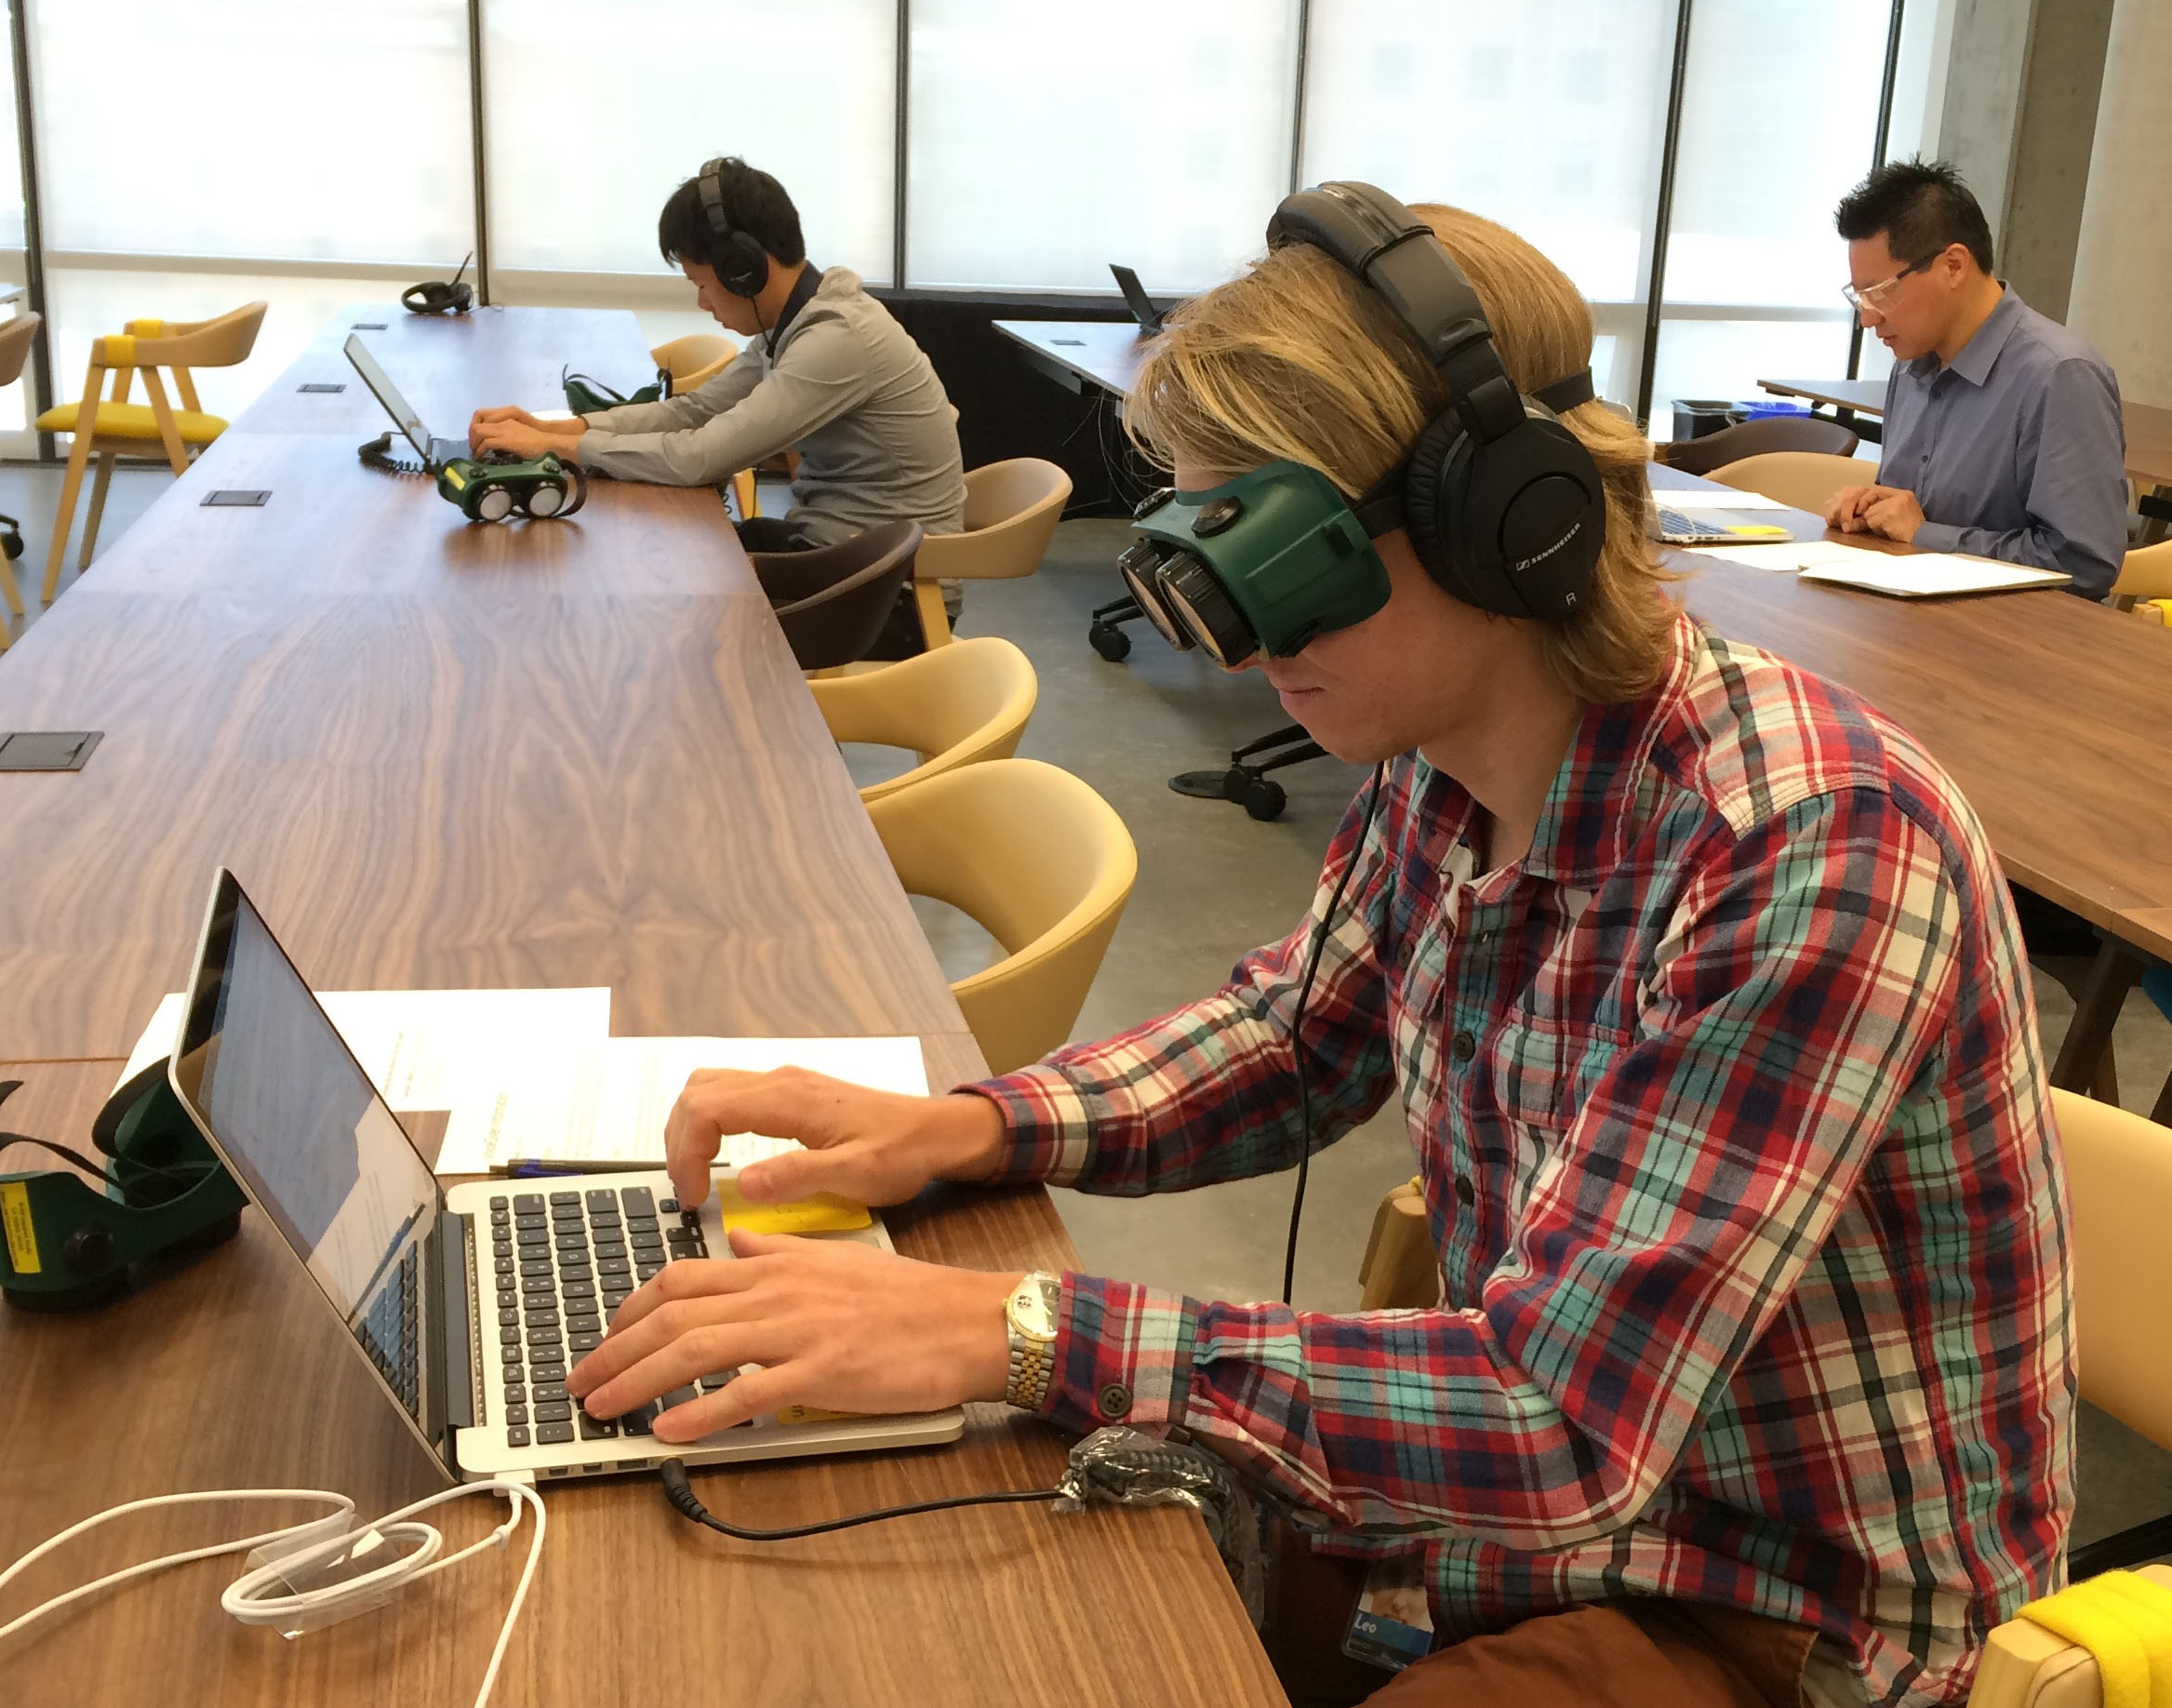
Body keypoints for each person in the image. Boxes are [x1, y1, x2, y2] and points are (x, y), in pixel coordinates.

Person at [566, 192, 2073, 1708]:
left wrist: (1011, 1323)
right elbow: (1293, 1035)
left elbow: (1556, 1425)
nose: (1233, 634)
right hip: (1538, 1533)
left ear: (1510, 520)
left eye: (1274, 553)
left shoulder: (1806, 845)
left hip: (1774, 1610)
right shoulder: (1446, 751)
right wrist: (962, 1127)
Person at [468, 157, 965, 564]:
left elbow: (701, 456)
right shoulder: (796, 326)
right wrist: (555, 430)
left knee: (666, 601)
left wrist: (562, 448)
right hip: (839, 553)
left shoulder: (836, 339)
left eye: (701, 283)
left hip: (890, 589)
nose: (702, 303)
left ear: (742, 269)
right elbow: (691, 412)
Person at [1822, 158, 2127, 599]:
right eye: (1859, 297)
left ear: (1954, 266)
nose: (1868, 319)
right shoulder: (1910, 365)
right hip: (1909, 620)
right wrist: (1870, 509)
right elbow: (1910, 515)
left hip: (2014, 641)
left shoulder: (2059, 375)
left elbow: (2082, 564)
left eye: (1882, 292)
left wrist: (1926, 535)